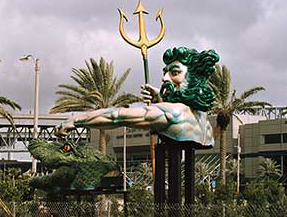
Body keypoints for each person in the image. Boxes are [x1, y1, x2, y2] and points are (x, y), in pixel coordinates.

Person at [57, 47, 219, 147]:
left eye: (174, 73)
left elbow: (116, 116)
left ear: (193, 78)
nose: (164, 79)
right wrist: (161, 100)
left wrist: (77, 119)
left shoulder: (174, 113)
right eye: (165, 73)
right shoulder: (206, 126)